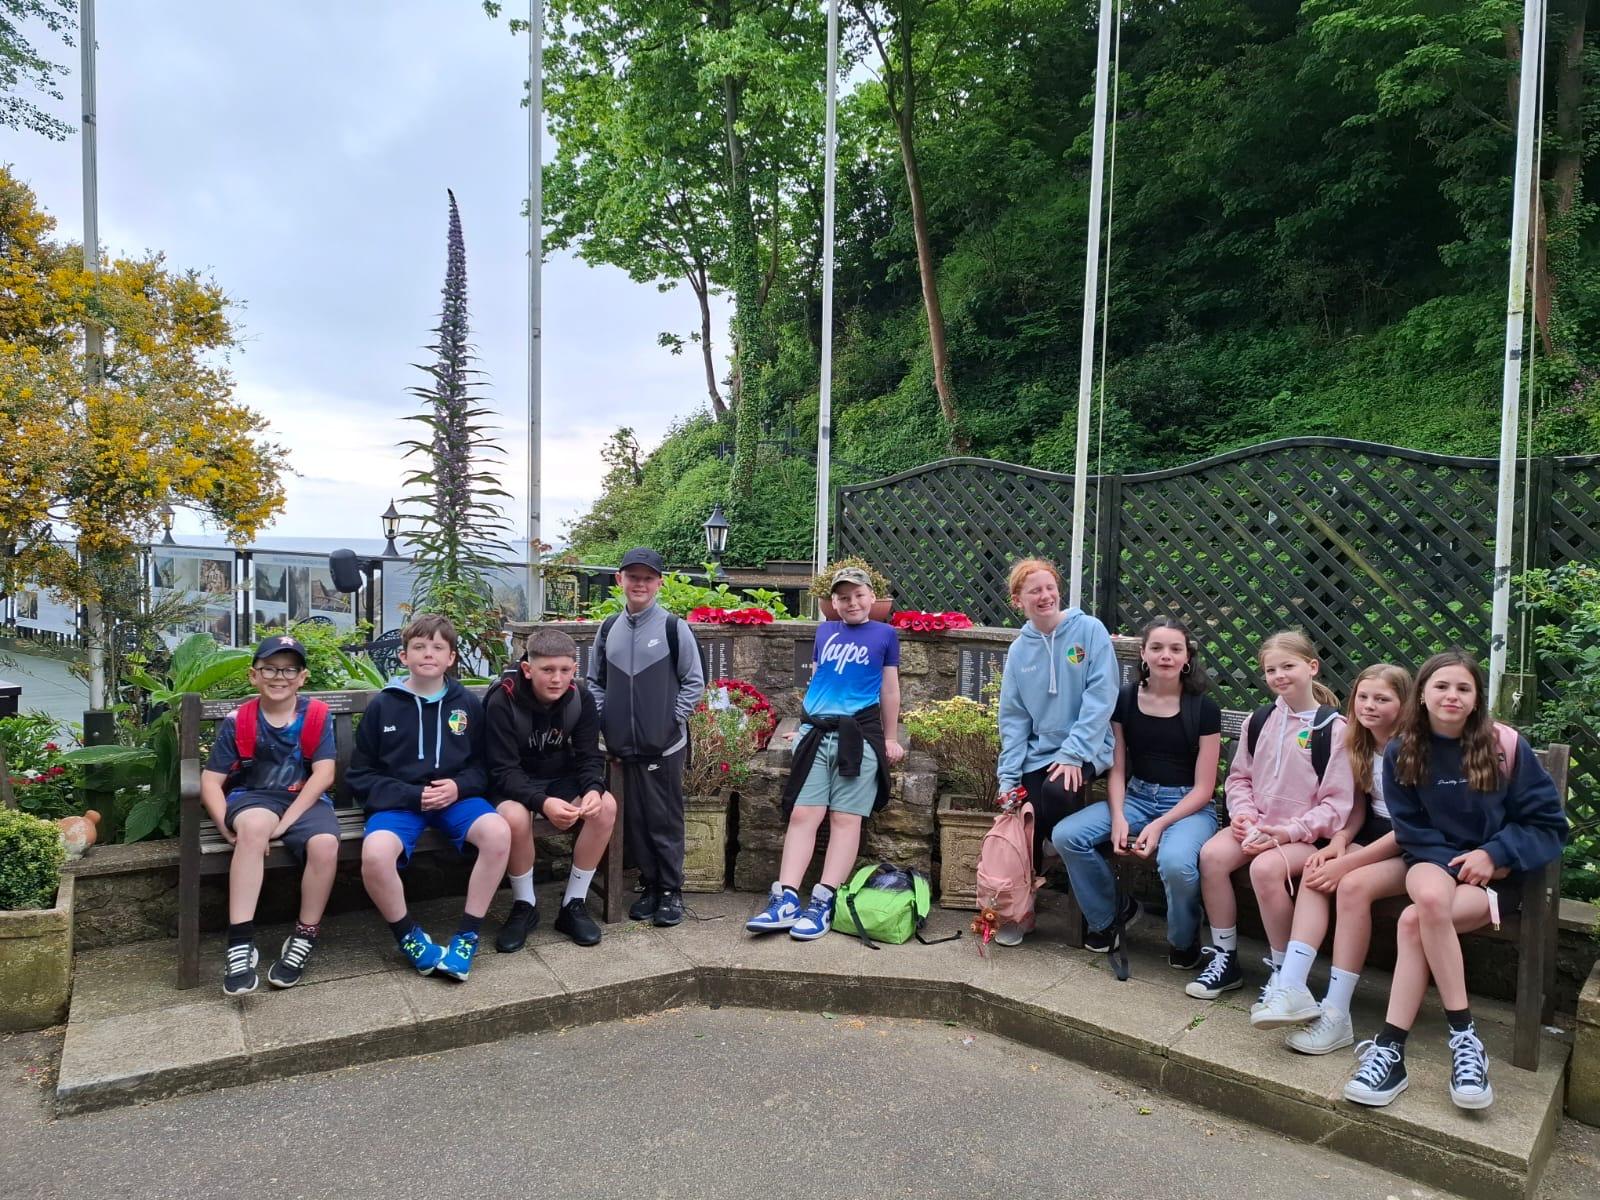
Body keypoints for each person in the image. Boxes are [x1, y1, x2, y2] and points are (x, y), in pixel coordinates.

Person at [1343, 650, 1567, 1111]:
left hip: (1496, 877)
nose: (1452, 696)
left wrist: (1494, 854)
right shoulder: (1403, 750)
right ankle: (1465, 1038)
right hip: (1433, 860)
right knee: (1428, 899)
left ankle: (1392, 1048)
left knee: (1413, 923)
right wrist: (1458, 863)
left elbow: (1547, 824)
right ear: (1422, 695)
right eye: (1441, 686)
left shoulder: (1504, 746)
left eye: (1463, 688)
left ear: (1477, 698)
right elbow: (1411, 830)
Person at [1252, 664, 1413, 1053]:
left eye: (1382, 699)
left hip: (1414, 846)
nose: (1369, 705)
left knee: (1351, 885)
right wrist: (1339, 843)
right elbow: (1359, 807)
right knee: (1316, 872)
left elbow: (1408, 829)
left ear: (1405, 704)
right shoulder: (1359, 741)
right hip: (1372, 836)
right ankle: (1292, 985)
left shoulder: (1412, 751)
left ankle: (1337, 1013)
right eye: (1363, 697)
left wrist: (1348, 863)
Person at [1186, 630, 1354, 1001]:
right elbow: (1239, 778)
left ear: (1312, 667)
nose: (1279, 676)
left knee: (1265, 869)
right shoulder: (1259, 720)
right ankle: (1225, 958)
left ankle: (1284, 974)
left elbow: (1336, 805)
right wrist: (1244, 815)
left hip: (1305, 838)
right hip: (1257, 826)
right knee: (1212, 856)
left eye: (1288, 666)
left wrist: (1287, 832)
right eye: (1270, 670)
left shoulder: (1333, 729)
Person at [745, 566, 906, 940]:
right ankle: (786, 898)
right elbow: (820, 679)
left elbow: (890, 690)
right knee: (804, 813)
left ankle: (823, 900)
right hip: (817, 734)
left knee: (845, 818)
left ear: (872, 596)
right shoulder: (824, 631)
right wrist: (804, 726)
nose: (852, 603)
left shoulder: (885, 635)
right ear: (833, 601)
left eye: (859, 595)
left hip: (858, 735)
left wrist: (890, 737)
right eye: (843, 597)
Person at [351, 613, 511, 982]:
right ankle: (409, 936)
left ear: (450, 657)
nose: (428, 653)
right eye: (419, 646)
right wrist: (412, 794)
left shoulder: (467, 704)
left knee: (498, 833)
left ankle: (467, 936)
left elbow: (483, 767)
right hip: (400, 803)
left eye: (438, 647)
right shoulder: (383, 706)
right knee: (375, 855)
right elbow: (360, 776)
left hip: (456, 800)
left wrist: (458, 787)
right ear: (403, 656)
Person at [1053, 618, 1221, 966]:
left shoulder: (1203, 708)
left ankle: (1183, 941)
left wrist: (1159, 825)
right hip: (1137, 798)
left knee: (1175, 863)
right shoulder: (1126, 699)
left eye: (1175, 649)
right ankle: (1112, 916)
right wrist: (1117, 817)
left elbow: (1205, 789)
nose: (1165, 656)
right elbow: (1117, 769)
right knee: (1067, 835)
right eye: (1156, 648)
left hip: (1188, 806)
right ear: (1143, 654)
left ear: (1187, 657)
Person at [199, 634, 339, 995]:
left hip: (304, 800)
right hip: (254, 797)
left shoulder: (316, 716)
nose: (280, 677)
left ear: (302, 677)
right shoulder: (239, 720)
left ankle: (305, 934)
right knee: (254, 828)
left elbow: (324, 774)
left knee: (325, 844)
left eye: (289, 670)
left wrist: (287, 822)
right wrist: (226, 827)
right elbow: (211, 781)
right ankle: (240, 941)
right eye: (270, 669)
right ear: (254, 675)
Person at [994, 557, 1118, 945]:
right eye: (1035, 591)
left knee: (1057, 791)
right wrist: (1008, 779)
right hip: (1040, 752)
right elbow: (1013, 718)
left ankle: (1056, 852)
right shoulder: (1019, 650)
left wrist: (1073, 753)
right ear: (1018, 600)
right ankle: (1020, 910)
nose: (1045, 596)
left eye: (1050, 588)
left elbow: (1102, 696)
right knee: (1022, 813)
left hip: (1088, 746)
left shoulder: (1089, 630)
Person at [588, 547, 705, 927]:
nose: (640, 584)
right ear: (619, 579)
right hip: (622, 746)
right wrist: (606, 721)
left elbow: (694, 682)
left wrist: (671, 721)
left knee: (664, 819)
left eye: (648, 578)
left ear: (659, 583)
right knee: (635, 821)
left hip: (664, 746)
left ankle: (671, 890)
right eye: (633, 577)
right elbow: (595, 682)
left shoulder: (673, 627)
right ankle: (650, 885)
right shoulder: (608, 629)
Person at [486, 627, 617, 949]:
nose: (557, 679)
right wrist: (542, 803)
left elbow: (589, 755)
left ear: (574, 669)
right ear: (528, 669)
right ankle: (524, 905)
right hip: (513, 781)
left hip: (558, 777)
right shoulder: (502, 699)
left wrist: (593, 789)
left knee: (605, 807)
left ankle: (573, 904)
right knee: (515, 818)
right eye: (547, 670)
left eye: (564, 670)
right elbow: (502, 770)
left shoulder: (580, 697)